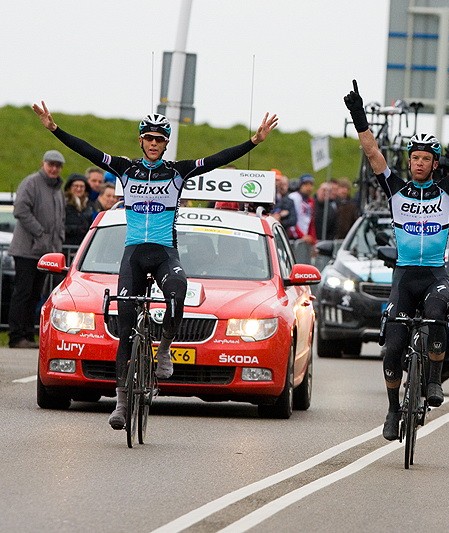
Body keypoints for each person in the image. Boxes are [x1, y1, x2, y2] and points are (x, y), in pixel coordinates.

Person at [33, 101, 278, 429]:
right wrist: (54, 129)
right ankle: (121, 402)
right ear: (141, 141)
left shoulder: (178, 172)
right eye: (148, 137)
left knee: (178, 291)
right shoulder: (126, 169)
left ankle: (163, 349)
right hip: (133, 255)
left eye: (159, 139)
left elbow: (217, 159)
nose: (153, 143)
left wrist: (253, 141)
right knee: (125, 327)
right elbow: (88, 150)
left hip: (164, 253)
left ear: (166, 143)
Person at [345, 79, 449, 440]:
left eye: (425, 159)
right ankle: (391, 409)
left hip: (434, 274)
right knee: (392, 349)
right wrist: (358, 115)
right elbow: (373, 154)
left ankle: (433, 381)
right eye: (414, 158)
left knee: (436, 316)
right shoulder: (396, 189)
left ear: (434, 164)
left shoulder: (447, 189)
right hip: (405, 275)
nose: (418, 163)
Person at [7, 149, 67, 349]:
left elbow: (59, 219)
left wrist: (57, 239)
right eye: (51, 164)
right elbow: (20, 209)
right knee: (23, 292)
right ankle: (16, 336)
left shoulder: (57, 189)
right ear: (43, 164)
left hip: (45, 253)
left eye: (57, 166)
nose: (54, 168)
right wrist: (40, 233)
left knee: (35, 294)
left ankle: (28, 334)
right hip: (27, 250)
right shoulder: (31, 182)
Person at [63, 173, 94, 246]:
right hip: (67, 246)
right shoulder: (64, 204)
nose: (79, 189)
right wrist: (77, 229)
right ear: (69, 188)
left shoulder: (88, 206)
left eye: (82, 186)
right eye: (75, 186)